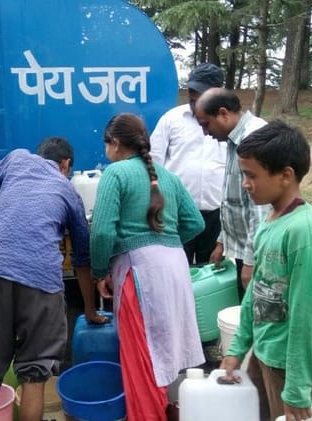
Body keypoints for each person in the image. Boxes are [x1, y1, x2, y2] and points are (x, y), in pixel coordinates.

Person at [0, 137, 107, 421]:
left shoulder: (16, 158)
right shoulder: (68, 190)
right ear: (65, 164)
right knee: (34, 376)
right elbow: (81, 259)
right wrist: (90, 310)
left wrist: (2, 235)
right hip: (42, 282)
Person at [89, 113, 205, 420]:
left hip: (140, 272)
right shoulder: (169, 177)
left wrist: (99, 272)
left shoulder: (115, 174)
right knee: (166, 350)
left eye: (106, 143)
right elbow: (196, 223)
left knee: (143, 359)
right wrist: (165, 241)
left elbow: (101, 232)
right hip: (175, 268)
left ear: (115, 143)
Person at [220, 121, 312, 421]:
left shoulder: (302, 232)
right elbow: (256, 291)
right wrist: (238, 347)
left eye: (251, 175)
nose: (245, 183)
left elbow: (307, 314)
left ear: (285, 175)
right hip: (266, 349)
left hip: (289, 363)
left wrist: (296, 390)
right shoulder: (272, 219)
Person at [194, 87, 269, 300]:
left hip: (258, 253)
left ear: (224, 113)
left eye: (205, 124)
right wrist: (222, 242)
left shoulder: (253, 138)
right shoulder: (233, 139)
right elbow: (233, 200)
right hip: (244, 250)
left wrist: (251, 262)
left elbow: (260, 210)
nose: (205, 132)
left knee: (255, 309)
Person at [150, 63, 227, 265]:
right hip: (177, 213)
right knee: (175, 269)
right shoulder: (172, 119)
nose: (194, 99)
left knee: (210, 272)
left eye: (201, 94)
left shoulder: (226, 123)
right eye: (192, 93)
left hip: (215, 215)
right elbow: (153, 161)